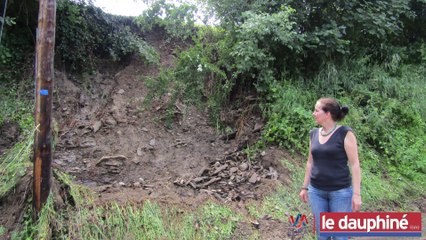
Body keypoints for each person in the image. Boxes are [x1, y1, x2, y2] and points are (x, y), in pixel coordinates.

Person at [299, 98, 362, 240]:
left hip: (340, 193)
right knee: (322, 235)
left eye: (316, 110)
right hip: (316, 191)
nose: (313, 113)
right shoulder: (313, 133)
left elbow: (355, 165)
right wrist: (304, 187)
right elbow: (310, 162)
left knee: (340, 235)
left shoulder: (345, 133)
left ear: (327, 114)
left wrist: (356, 194)